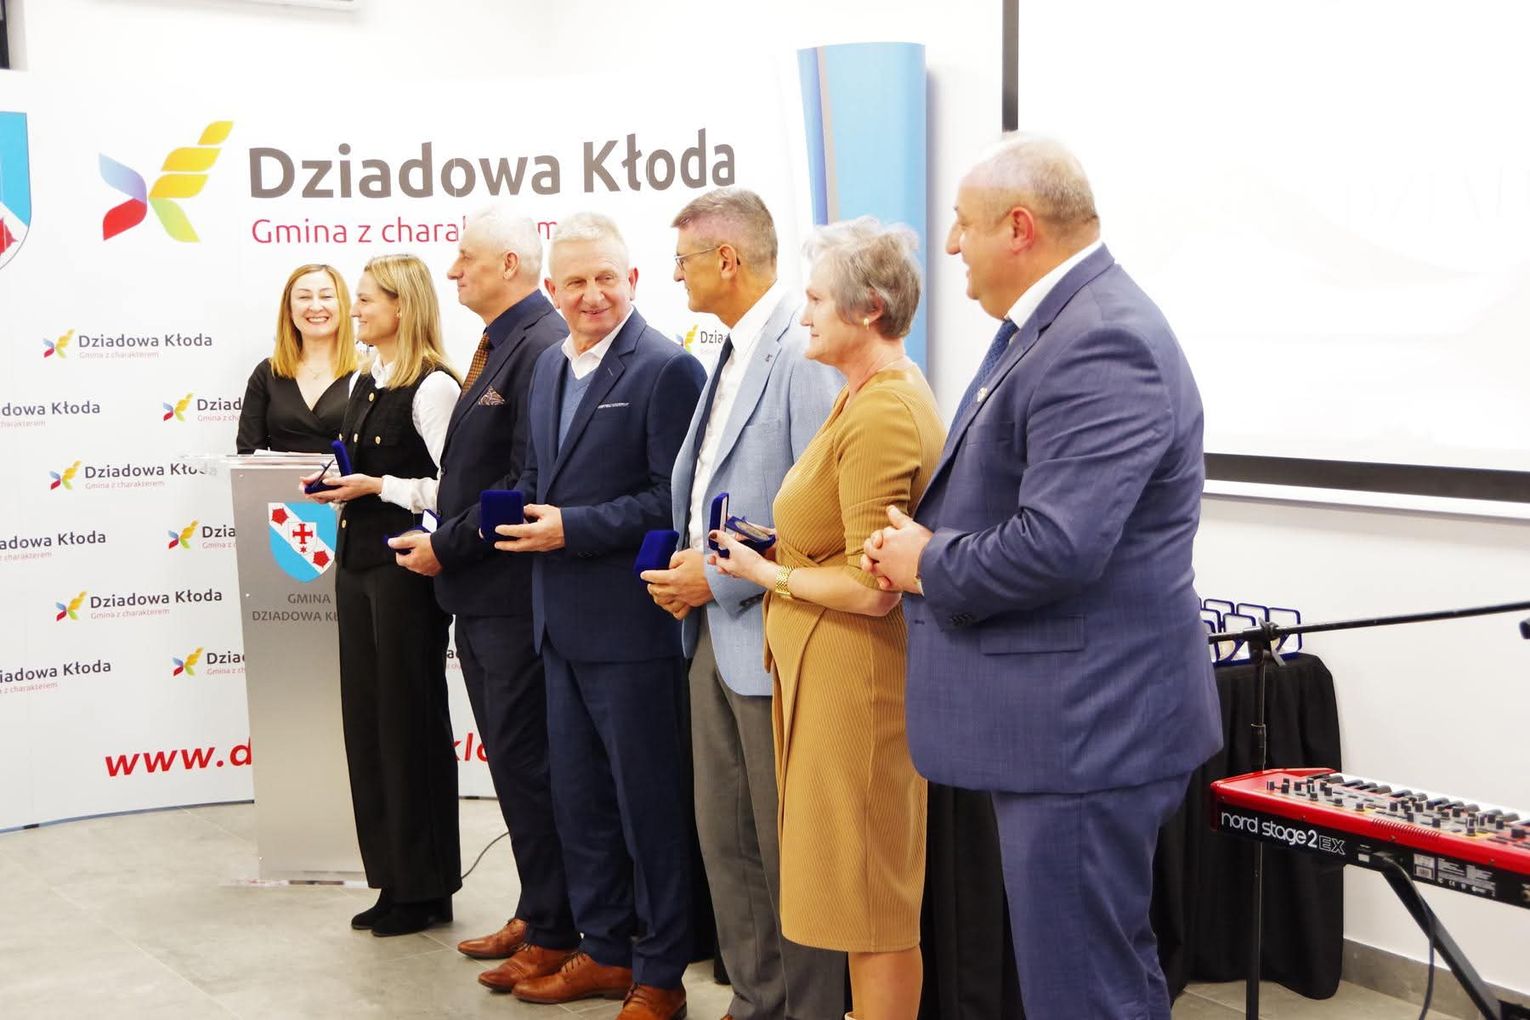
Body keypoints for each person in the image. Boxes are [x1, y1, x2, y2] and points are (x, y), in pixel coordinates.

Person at [862, 135, 1223, 1020]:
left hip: (1085, 730)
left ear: (1018, 228)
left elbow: (1060, 543)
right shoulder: (1060, 326)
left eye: (963, 224)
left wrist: (925, 561)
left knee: (1084, 988)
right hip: (1065, 726)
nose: (952, 244)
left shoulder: (1101, 340)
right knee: (1094, 975)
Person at [711, 217, 943, 1020]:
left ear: (868, 308)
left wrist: (766, 572)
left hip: (859, 681)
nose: (802, 314)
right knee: (853, 898)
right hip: (830, 670)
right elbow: (846, 545)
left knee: (872, 904)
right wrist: (782, 550)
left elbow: (875, 588)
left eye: (814, 300)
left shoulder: (883, 411)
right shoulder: (861, 397)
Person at [492, 213, 705, 1020]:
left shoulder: (667, 368)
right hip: (558, 624)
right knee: (581, 805)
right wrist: (507, 521)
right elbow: (539, 477)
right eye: (575, 281)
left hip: (633, 630)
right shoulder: (549, 366)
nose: (591, 295)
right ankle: (607, 951)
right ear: (551, 289)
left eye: (606, 278)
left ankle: (661, 973)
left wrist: (572, 528)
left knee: (649, 811)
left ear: (634, 280)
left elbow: (669, 500)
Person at [641, 188, 845, 1020]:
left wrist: (718, 577)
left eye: (683, 260)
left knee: (787, 848)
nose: (675, 275)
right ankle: (756, 1001)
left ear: (726, 259)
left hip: (775, 641)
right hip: (712, 640)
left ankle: (808, 1009)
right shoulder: (729, 348)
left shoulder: (801, 349)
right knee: (728, 844)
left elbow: (825, 517)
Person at [388, 207, 579, 989]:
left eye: (466, 257)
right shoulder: (501, 342)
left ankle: (557, 924)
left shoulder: (539, 344)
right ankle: (539, 906)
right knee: (513, 763)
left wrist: (449, 544)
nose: (453, 270)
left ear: (508, 263)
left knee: (529, 765)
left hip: (509, 595)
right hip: (482, 595)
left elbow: (523, 482)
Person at [304, 254, 463, 937]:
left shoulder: (434, 388)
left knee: (409, 725)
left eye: (367, 298)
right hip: (357, 566)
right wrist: (337, 483)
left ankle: (427, 887)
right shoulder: (365, 378)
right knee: (369, 725)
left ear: (402, 306)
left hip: (405, 572)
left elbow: (457, 488)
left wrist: (380, 487)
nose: (355, 309)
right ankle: (394, 880)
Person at [236, 263, 358, 453]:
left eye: (326, 296)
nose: (315, 307)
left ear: (343, 306)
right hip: (276, 475)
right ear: (289, 310)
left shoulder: (369, 374)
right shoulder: (267, 373)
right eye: (304, 297)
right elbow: (248, 452)